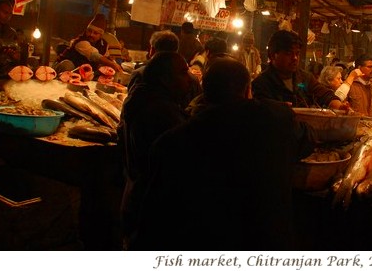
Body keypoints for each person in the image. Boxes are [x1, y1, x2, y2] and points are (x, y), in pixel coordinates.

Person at [130, 59, 300, 250]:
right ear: (247, 91)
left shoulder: (170, 143)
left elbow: (153, 218)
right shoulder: (277, 121)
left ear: (205, 93)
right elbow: (304, 137)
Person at [118, 51, 192, 249]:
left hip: (136, 200)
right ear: (165, 79)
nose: (190, 79)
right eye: (183, 73)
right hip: (152, 211)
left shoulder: (142, 100)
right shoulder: (160, 113)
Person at [251, 30, 347, 110]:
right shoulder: (261, 84)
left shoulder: (304, 78)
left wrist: (339, 106)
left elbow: (324, 94)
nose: (295, 58)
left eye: (297, 53)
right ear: (273, 55)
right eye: (289, 53)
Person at [54, 13, 123, 74]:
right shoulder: (81, 41)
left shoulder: (104, 45)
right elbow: (94, 56)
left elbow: (105, 59)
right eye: (89, 31)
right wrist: (111, 64)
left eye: (95, 33)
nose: (91, 34)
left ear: (100, 35)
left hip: (81, 71)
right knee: (68, 65)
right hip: (62, 67)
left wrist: (112, 63)